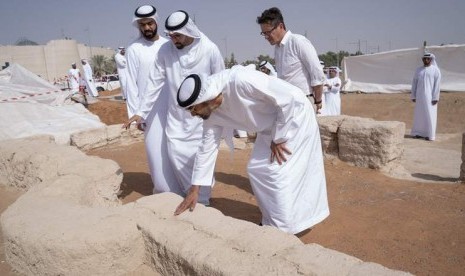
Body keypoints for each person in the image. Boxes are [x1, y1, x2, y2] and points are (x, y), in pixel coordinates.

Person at [174, 65, 330, 235]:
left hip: (293, 118)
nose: (193, 114)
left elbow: (289, 99)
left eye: (193, 109)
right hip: (270, 128)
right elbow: (207, 148)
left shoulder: (240, 80)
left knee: (275, 172)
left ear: (205, 99)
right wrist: (194, 190)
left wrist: (278, 138)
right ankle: (273, 222)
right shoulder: (211, 114)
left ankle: (284, 230)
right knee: (257, 169)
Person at [125, 10, 224, 204]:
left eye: (177, 36)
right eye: (170, 35)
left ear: (189, 32)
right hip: (176, 118)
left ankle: (202, 200)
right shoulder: (165, 51)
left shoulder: (209, 49)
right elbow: (154, 82)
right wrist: (140, 112)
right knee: (176, 153)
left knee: (200, 157)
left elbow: (221, 80)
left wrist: (216, 108)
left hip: (202, 116)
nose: (173, 40)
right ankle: (191, 194)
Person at [122, 4, 175, 195]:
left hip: (173, 107)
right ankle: (164, 191)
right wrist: (136, 114)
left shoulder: (169, 44)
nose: (147, 28)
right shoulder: (134, 49)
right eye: (142, 24)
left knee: (176, 147)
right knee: (156, 152)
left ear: (156, 22)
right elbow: (131, 84)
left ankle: (186, 188)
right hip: (149, 111)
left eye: (150, 23)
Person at [256, 7, 326, 114]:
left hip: (303, 103)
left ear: (280, 26)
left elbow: (317, 73)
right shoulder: (277, 49)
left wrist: (318, 100)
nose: (266, 37)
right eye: (263, 33)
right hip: (286, 104)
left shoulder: (298, 42)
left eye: (268, 32)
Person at [411, 52, 441, 141]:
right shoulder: (418, 70)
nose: (426, 60)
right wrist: (413, 95)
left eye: (428, 59)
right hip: (419, 96)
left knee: (430, 115)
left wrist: (435, 97)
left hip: (430, 97)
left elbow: (437, 85)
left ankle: (430, 134)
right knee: (419, 115)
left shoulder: (435, 70)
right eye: (424, 59)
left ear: (431, 60)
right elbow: (414, 83)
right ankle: (418, 133)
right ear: (422, 59)